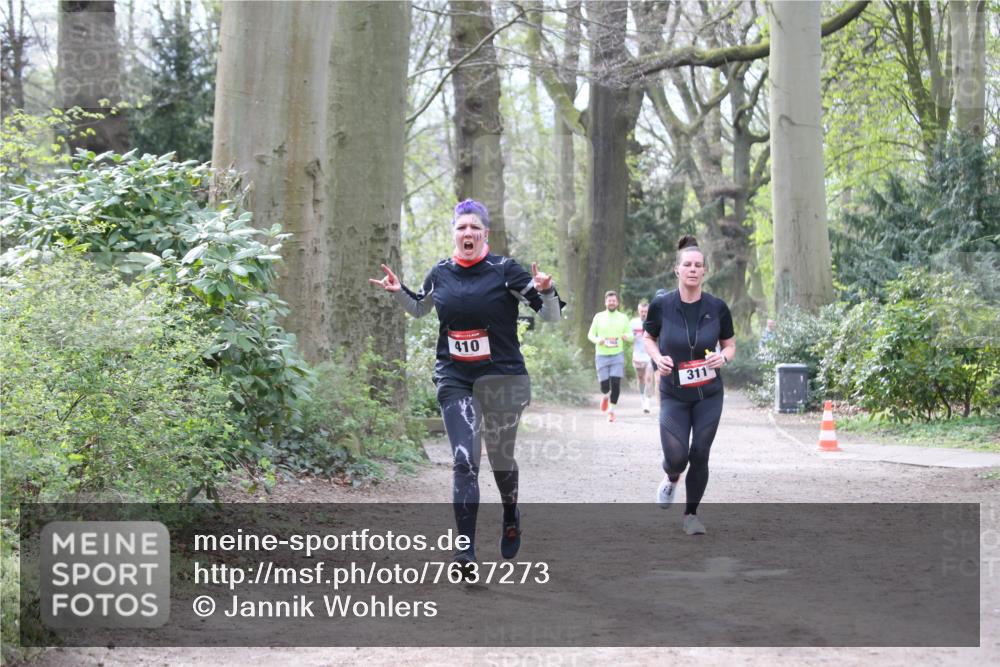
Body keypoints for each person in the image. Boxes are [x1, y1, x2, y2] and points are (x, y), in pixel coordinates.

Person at [370, 199, 563, 572]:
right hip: (455, 377)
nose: (468, 233)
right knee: (464, 462)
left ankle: (510, 514)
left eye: (475, 228)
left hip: (503, 378)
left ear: (485, 234)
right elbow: (420, 308)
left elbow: (551, 316)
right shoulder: (439, 273)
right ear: (454, 234)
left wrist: (548, 290)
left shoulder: (506, 271)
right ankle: (465, 552)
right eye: (462, 228)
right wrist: (400, 293)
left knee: (501, 460)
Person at [643, 235, 735, 536]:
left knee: (700, 453)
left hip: (709, 393)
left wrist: (724, 357)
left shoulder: (718, 307)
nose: (693, 269)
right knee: (677, 457)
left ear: (704, 271)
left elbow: (730, 345)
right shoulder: (661, 305)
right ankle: (671, 478)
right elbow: (649, 338)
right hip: (674, 393)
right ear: (677, 270)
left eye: (698, 265)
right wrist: (658, 358)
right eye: (687, 265)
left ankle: (691, 515)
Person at [587, 290, 632, 422]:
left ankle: (611, 411)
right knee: (604, 385)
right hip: (601, 355)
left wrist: (626, 337)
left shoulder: (623, 318)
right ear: (605, 302)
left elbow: (631, 335)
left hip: (617, 354)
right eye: (609, 301)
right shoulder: (598, 317)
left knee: (616, 383)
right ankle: (606, 396)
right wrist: (598, 340)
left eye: (613, 301)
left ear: (617, 303)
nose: (611, 303)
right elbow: (590, 335)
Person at [630, 301, 655, 413]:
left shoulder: (653, 322)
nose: (644, 313)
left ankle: (647, 403)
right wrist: (631, 338)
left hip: (649, 355)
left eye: (646, 311)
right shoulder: (633, 323)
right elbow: (628, 337)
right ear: (638, 311)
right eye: (642, 311)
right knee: (641, 379)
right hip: (637, 355)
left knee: (649, 378)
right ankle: (642, 397)